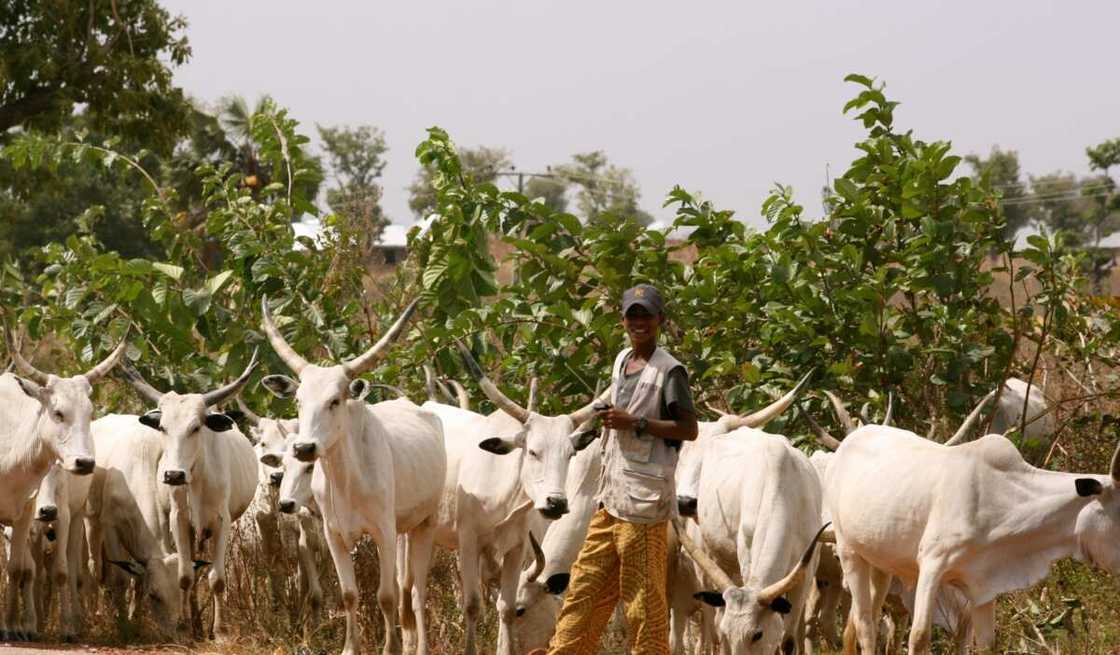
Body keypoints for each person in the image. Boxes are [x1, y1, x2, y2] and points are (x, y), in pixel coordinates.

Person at [543, 283, 699, 655]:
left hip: (644, 510)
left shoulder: (670, 371)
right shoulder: (621, 361)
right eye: (632, 315)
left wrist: (637, 423)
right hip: (610, 501)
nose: (639, 322)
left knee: (643, 604)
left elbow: (688, 429)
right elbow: (614, 399)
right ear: (623, 320)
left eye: (646, 315)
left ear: (660, 319)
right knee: (583, 588)